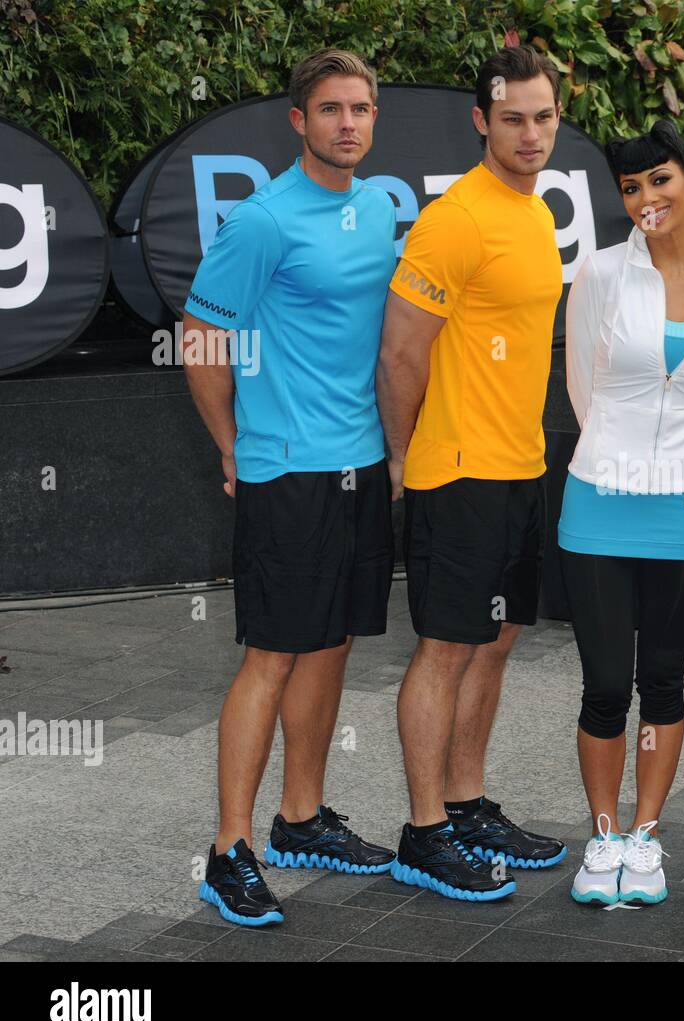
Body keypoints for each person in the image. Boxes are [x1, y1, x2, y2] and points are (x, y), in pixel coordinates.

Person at [182, 48, 398, 927]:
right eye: (331, 110)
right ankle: (229, 849)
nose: (348, 124)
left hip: (362, 461)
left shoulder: (382, 207)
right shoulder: (263, 220)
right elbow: (200, 340)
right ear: (299, 122)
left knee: (332, 639)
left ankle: (301, 819)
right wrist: (234, 449)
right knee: (271, 655)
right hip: (285, 468)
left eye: (361, 110)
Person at [376, 46, 568, 902]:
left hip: (519, 465)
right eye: (514, 118)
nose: (531, 134)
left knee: (494, 643)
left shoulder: (531, 211)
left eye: (544, 117)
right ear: (481, 121)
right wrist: (404, 456)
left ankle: (465, 800)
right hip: (455, 471)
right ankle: (423, 833)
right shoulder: (455, 217)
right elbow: (400, 352)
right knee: (446, 650)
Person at [562, 121, 684, 906]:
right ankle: (602, 834)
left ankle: (644, 839)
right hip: (599, 505)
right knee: (607, 683)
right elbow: (583, 388)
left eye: (661, 180)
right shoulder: (600, 275)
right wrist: (619, 461)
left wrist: (681, 467)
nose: (649, 198)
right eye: (633, 187)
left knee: (665, 681)